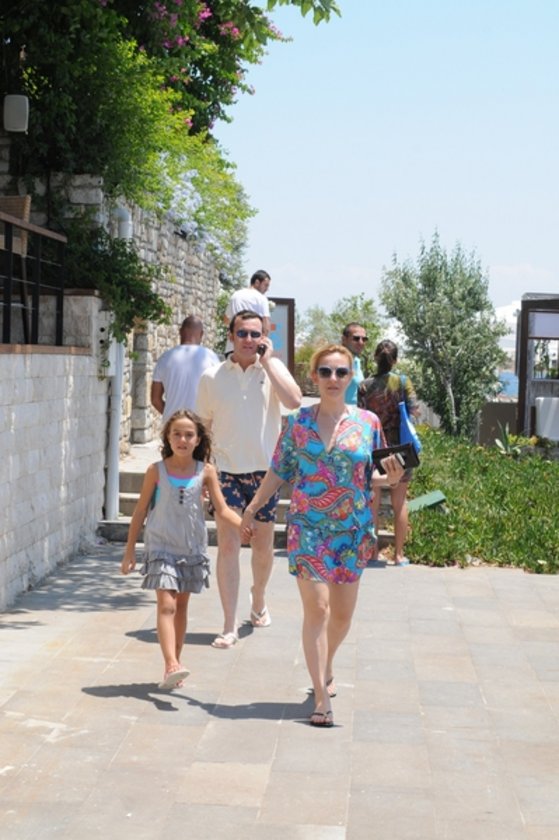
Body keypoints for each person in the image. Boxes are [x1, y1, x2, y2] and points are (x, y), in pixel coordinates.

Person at [240, 344, 404, 727]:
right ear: (314, 376)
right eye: (326, 372)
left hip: (352, 531)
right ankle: (320, 695)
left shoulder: (367, 423)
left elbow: (374, 475)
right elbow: (279, 470)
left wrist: (392, 478)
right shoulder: (297, 423)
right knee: (318, 609)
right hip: (308, 529)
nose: (333, 379)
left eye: (341, 372)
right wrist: (252, 507)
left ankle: (327, 663)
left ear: (351, 378)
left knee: (342, 617)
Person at [196, 309, 302, 649]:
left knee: (262, 546)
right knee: (228, 546)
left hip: (265, 474)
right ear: (231, 336)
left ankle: (258, 597)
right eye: (242, 333)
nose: (248, 340)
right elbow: (202, 428)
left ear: (264, 337)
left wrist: (268, 362)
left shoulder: (272, 370)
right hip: (226, 473)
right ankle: (229, 624)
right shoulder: (212, 377)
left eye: (256, 334)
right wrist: (201, 474)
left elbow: (294, 401)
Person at [121, 410, 241, 689]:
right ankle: (171, 664)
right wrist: (129, 551)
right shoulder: (156, 471)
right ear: (167, 437)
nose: (183, 440)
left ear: (198, 440)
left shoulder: (206, 472)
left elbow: (222, 510)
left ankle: (175, 663)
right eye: (177, 434)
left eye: (189, 435)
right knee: (167, 605)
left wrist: (244, 526)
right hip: (160, 545)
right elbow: (139, 512)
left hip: (191, 547)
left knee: (182, 606)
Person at [358, 339, 420, 566]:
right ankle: (399, 555)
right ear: (395, 360)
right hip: (401, 448)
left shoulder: (364, 385)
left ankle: (373, 553)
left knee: (372, 502)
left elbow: (360, 415)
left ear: (375, 357)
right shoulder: (403, 382)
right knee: (400, 502)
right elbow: (415, 410)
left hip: (374, 448)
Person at [151, 315, 219, 421]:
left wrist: (171, 417)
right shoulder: (211, 358)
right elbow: (218, 397)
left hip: (173, 427)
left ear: (180, 332)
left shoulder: (165, 358)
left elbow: (155, 399)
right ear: (201, 334)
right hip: (200, 426)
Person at [224, 270, 272, 354]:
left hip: (233, 347)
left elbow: (226, 319)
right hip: (252, 348)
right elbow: (266, 326)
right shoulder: (261, 298)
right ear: (257, 282)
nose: (267, 289)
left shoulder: (236, 295)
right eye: (266, 285)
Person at [341, 322, 368, 405]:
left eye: (364, 339)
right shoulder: (336, 361)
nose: (361, 342)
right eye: (356, 338)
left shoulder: (357, 361)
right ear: (344, 339)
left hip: (355, 411)